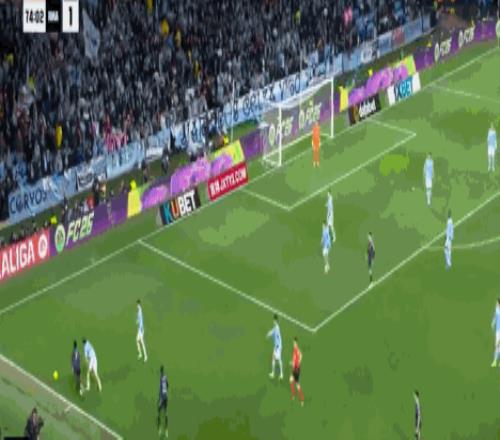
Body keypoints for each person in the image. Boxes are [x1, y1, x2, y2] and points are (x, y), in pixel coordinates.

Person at [266, 314, 283, 380]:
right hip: (278, 346)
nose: (273, 321)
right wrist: (269, 334)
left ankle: (277, 374)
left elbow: (277, 337)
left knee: (277, 359)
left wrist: (276, 347)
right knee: (277, 359)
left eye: (274, 320)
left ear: (275, 320)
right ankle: (279, 374)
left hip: (277, 347)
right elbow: (273, 331)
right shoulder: (276, 327)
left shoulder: (277, 328)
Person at [289, 337, 304, 406]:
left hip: (296, 370)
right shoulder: (295, 349)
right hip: (295, 369)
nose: (293, 344)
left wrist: (296, 363)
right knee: (290, 380)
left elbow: (300, 356)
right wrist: (293, 362)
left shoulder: (297, 350)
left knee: (297, 385)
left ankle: (302, 400)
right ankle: (293, 395)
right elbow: (299, 357)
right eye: (293, 343)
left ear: (296, 343)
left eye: (294, 343)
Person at [158, 365, 169, 438]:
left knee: (159, 412)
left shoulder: (161, 378)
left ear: (160, 371)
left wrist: (160, 399)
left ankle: (160, 429)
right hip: (166, 396)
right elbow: (167, 385)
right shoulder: (165, 377)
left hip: (162, 397)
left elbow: (160, 390)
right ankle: (166, 431)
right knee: (165, 413)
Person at [491, 298, 500, 367]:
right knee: (497, 346)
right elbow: (495, 316)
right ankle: (495, 361)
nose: (496, 304)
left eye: (497, 303)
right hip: (497, 331)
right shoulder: (497, 310)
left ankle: (495, 361)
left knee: (498, 345)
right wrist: (493, 322)